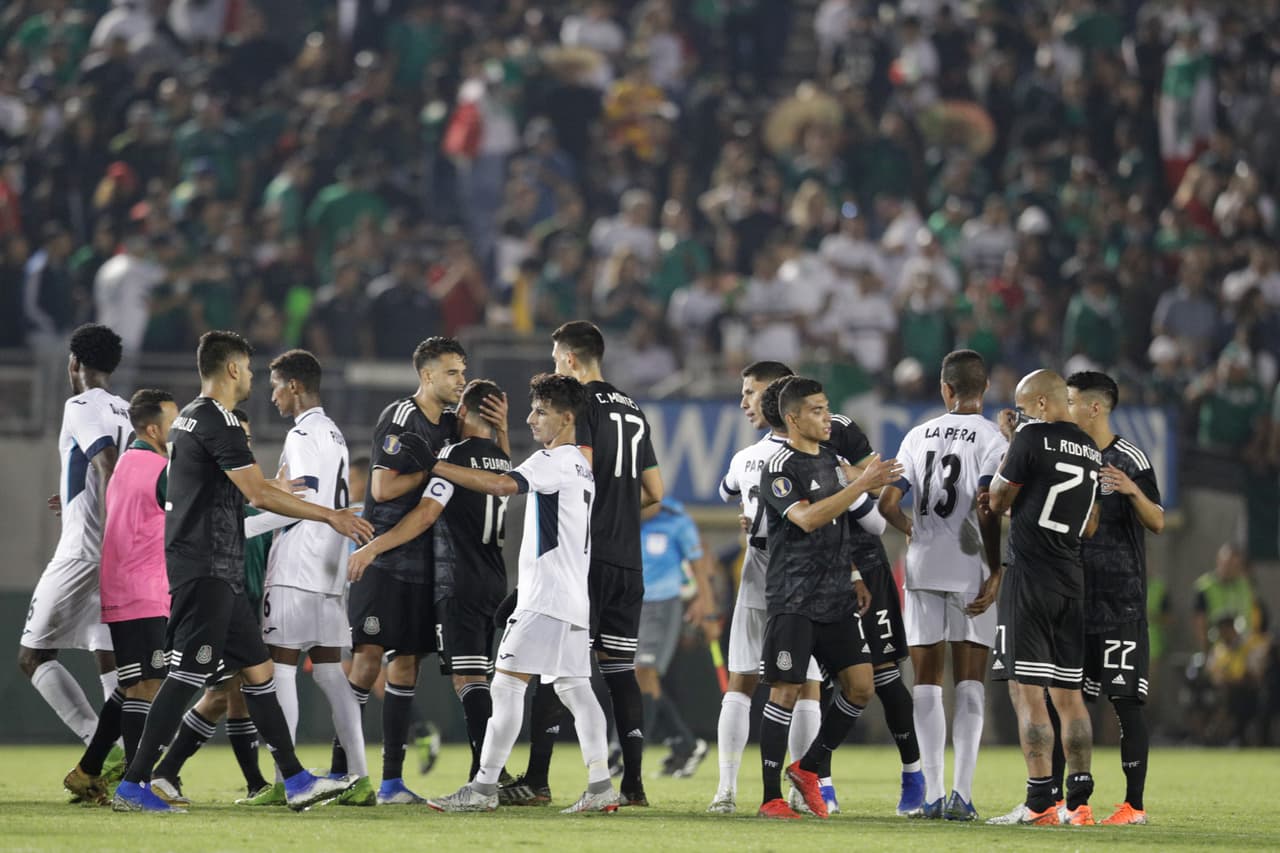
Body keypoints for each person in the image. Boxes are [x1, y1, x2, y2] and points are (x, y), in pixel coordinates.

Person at [112, 330, 373, 813]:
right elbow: (258, 495)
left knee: (260, 673)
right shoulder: (220, 420)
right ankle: (133, 783)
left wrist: (263, 485)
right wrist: (330, 514)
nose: (253, 378)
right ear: (232, 369)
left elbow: (211, 488)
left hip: (220, 566)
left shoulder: (191, 419)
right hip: (207, 567)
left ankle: (294, 780)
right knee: (188, 676)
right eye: (250, 369)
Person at [423, 373, 619, 814]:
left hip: (545, 600)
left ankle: (482, 789)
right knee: (575, 688)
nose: (531, 419)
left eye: (540, 412)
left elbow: (500, 485)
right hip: (570, 598)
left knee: (508, 686)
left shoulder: (552, 461)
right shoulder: (580, 466)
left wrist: (431, 463)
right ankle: (601, 784)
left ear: (566, 418)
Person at [341, 336, 506, 805]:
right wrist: (439, 467)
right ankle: (343, 772)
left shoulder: (455, 425)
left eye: (463, 370)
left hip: (427, 563)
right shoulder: (401, 418)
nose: (461, 379)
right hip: (385, 557)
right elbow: (384, 486)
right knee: (368, 658)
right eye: (453, 372)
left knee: (406, 665)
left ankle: (392, 782)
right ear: (427, 375)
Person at [503, 321, 662, 807]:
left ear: (570, 359)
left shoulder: (579, 405)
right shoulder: (635, 411)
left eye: (555, 359)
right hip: (628, 562)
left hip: (584, 558)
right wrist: (618, 513)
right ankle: (633, 786)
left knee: (555, 664)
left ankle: (537, 779)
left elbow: (578, 467)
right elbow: (656, 493)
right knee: (619, 669)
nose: (555, 369)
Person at [756, 377, 903, 819]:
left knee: (861, 687)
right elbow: (807, 519)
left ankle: (809, 766)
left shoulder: (834, 461)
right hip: (794, 596)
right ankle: (770, 798)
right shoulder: (779, 467)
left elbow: (852, 522)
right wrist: (862, 485)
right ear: (793, 418)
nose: (827, 418)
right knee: (786, 691)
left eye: (826, 407)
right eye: (817, 410)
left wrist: (855, 573)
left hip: (836, 595)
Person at [237, 349, 373, 806]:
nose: (270, 394)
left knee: (279, 671)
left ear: (293, 385)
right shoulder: (333, 432)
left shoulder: (302, 433)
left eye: (274, 385)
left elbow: (302, 504)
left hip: (296, 568)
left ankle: (285, 779)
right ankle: (360, 777)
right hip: (331, 572)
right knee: (332, 674)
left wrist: (243, 525)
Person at [878, 349, 1007, 821]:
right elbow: (989, 505)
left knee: (927, 682)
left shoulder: (918, 434)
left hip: (923, 566)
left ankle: (931, 793)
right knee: (969, 681)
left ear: (945, 390)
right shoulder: (993, 437)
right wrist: (996, 568)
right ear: (986, 388)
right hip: (971, 566)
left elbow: (889, 502)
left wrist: (912, 530)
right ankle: (962, 795)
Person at [707, 362, 833, 815]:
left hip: (759, 580)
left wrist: (750, 514)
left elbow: (729, 493)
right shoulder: (819, 457)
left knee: (741, 684)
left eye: (751, 393)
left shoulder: (746, 459)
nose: (745, 402)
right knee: (808, 686)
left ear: (777, 397)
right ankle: (803, 790)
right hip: (804, 588)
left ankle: (726, 791)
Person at [985, 369, 1102, 827]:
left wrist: (1013, 444)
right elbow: (1090, 524)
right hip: (1072, 579)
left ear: (1037, 404)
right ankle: (1080, 802)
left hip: (1030, 576)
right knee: (1070, 697)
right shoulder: (1090, 448)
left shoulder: (1030, 440)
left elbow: (996, 499)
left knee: (1028, 692)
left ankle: (1039, 804)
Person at [149, 411, 277, 807]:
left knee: (232, 693)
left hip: (238, 604)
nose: (247, 446)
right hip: (209, 597)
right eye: (243, 438)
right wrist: (319, 511)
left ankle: (256, 782)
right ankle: (156, 772)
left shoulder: (240, 491)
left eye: (251, 440)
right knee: (216, 691)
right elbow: (252, 519)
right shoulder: (219, 497)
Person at [63, 389, 178, 805]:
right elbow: (199, 512)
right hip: (143, 590)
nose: (178, 428)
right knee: (147, 686)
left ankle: (88, 770)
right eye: (173, 421)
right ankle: (136, 784)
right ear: (153, 428)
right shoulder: (161, 467)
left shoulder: (126, 462)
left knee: (132, 682)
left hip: (123, 586)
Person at [20, 324, 130, 760]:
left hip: (85, 550)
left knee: (33, 656)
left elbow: (106, 462)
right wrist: (71, 496)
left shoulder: (79, 404)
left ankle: (99, 747)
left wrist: (107, 526)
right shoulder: (126, 409)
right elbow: (126, 472)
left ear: (74, 364)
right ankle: (129, 752)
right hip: (114, 554)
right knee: (107, 655)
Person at [1065, 370, 1165, 826]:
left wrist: (1131, 490)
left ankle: (1134, 806)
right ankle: (1075, 803)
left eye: (1071, 401)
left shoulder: (1128, 456)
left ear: (1095, 407)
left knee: (1125, 704)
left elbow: (1158, 520)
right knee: (1069, 702)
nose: (1067, 409)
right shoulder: (1071, 454)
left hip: (1120, 601)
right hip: (1077, 600)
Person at [636, 498, 713, 778]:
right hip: (631, 603)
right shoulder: (623, 516)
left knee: (644, 671)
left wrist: (705, 605)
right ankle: (684, 743)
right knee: (637, 677)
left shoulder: (676, 520)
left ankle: (628, 748)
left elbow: (700, 565)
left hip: (664, 602)